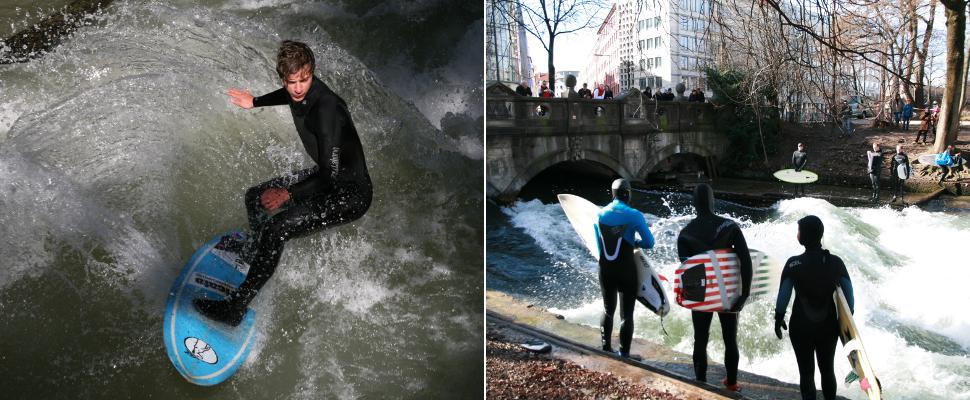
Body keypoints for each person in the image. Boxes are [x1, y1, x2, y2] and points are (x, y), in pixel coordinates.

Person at [195, 40, 373, 326]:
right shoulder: (296, 91)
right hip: (328, 177)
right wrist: (254, 101)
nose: (299, 88)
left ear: (311, 72)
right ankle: (254, 250)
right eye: (292, 82)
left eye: (305, 79)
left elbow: (330, 173)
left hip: (349, 194)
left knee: (277, 229)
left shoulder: (326, 109)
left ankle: (235, 309)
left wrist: (288, 194)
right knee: (255, 197)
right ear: (284, 78)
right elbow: (291, 96)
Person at [677, 184, 752, 392]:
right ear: (712, 201)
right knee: (730, 339)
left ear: (694, 203)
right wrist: (744, 294)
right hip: (727, 291)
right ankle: (732, 383)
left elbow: (686, 270)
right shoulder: (730, 226)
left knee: (700, 338)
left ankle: (700, 382)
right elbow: (745, 261)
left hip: (700, 294)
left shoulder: (685, 233)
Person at [774, 215, 854, 400]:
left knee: (806, 373)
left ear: (803, 236)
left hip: (801, 326)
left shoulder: (793, 263)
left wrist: (778, 319)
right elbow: (849, 299)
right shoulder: (836, 262)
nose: (797, 234)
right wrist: (846, 325)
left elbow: (783, 297)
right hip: (828, 327)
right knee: (827, 370)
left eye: (799, 231)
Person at [594, 179, 655, 358]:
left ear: (612, 194)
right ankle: (624, 353)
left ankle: (605, 348)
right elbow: (650, 243)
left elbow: (600, 245)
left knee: (607, 309)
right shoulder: (634, 215)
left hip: (605, 268)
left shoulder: (600, 214)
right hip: (626, 270)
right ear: (627, 194)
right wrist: (635, 242)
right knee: (626, 315)